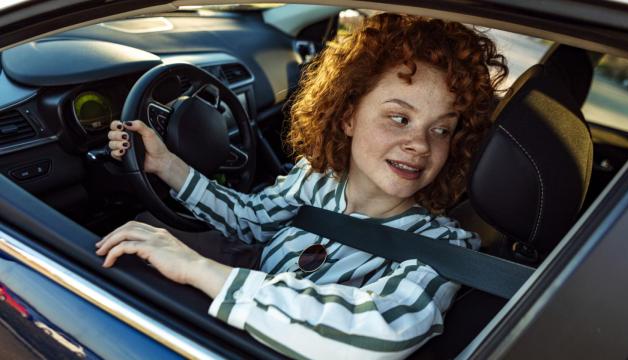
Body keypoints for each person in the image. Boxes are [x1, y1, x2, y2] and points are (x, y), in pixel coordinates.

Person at [96, 13, 507, 359]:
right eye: (399, 118)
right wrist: (166, 165)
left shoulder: (445, 248)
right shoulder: (315, 179)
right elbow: (251, 220)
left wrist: (200, 269)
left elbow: (380, 331)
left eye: (441, 130)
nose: (419, 143)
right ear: (348, 117)